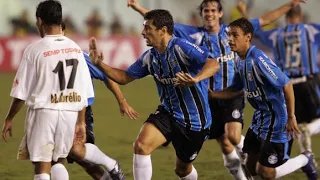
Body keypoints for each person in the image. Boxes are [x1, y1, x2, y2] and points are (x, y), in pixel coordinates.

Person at [127, 0, 307, 179]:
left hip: (232, 94)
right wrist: (139, 8)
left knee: (233, 136)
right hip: (210, 97)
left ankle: (259, 155)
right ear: (202, 14)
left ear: (220, 13)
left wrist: (289, 6)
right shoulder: (194, 34)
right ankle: (243, 172)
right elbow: (159, 23)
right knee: (225, 144)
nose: (209, 14)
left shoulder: (233, 31)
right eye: (206, 10)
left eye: (213, 10)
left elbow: (265, 19)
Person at [89, 9, 220, 180]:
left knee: (182, 170)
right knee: (141, 146)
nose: (143, 32)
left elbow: (213, 63)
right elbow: (124, 77)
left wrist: (196, 79)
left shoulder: (182, 47)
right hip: (168, 113)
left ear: (163, 30)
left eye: (148, 28)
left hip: (194, 122)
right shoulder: (150, 57)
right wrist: (100, 64)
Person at [209, 17, 318, 180]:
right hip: (260, 119)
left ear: (248, 37)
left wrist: (291, 116)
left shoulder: (258, 59)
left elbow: (286, 84)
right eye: (229, 35)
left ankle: (305, 159)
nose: (230, 39)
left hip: (277, 121)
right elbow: (236, 88)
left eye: (235, 35)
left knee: (265, 172)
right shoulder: (239, 60)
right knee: (250, 167)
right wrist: (213, 94)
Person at [1, 1, 94, 180]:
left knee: (42, 166)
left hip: (44, 112)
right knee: (58, 161)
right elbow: (84, 91)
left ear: (39, 21)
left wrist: (9, 118)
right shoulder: (75, 49)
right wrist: (81, 122)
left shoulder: (34, 50)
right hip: (69, 113)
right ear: (60, 20)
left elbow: (21, 92)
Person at [61, 22, 139, 180]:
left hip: (79, 111)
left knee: (76, 151)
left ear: (63, 31)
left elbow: (107, 77)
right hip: (55, 110)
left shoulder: (78, 55)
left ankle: (111, 165)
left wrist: (122, 101)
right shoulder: (42, 53)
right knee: (76, 159)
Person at [250, 5, 320, 165]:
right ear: (300, 14)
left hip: (286, 86)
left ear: (285, 17)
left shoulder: (276, 33)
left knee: (293, 123)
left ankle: (304, 158)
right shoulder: (311, 30)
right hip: (307, 82)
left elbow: (255, 31)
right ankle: (308, 138)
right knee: (307, 125)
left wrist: (244, 13)